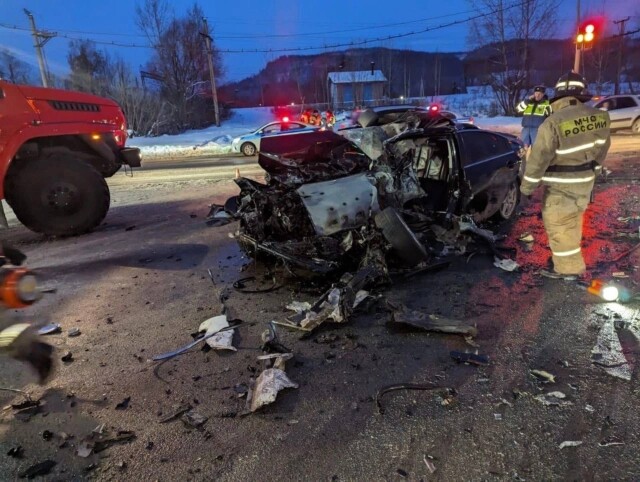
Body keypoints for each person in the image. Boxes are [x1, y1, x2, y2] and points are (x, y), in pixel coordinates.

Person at [520, 71, 611, 278]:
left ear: (558, 95)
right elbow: (602, 149)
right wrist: (594, 171)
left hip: (561, 186)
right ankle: (563, 259)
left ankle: (568, 270)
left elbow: (539, 159)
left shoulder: (553, 122)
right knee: (572, 221)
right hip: (585, 183)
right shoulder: (599, 117)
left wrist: (526, 188)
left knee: (560, 226)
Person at [516, 85, 551, 156]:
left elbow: (550, 117)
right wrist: (526, 102)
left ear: (543, 94)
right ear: (534, 93)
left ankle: (536, 162)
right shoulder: (528, 102)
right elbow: (518, 110)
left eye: (540, 94)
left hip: (537, 130)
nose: (537, 95)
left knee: (537, 149)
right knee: (522, 148)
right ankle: (522, 162)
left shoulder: (547, 104)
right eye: (536, 93)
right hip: (526, 129)